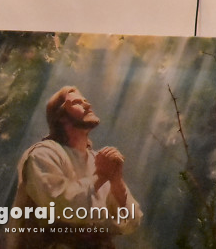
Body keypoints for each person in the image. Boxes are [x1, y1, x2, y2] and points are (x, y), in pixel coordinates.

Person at [9, 86, 142, 248]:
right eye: (78, 103)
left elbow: (131, 222)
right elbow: (62, 206)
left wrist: (116, 180)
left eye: (86, 101)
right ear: (61, 117)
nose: (88, 105)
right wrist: (101, 176)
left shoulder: (97, 160)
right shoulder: (44, 154)